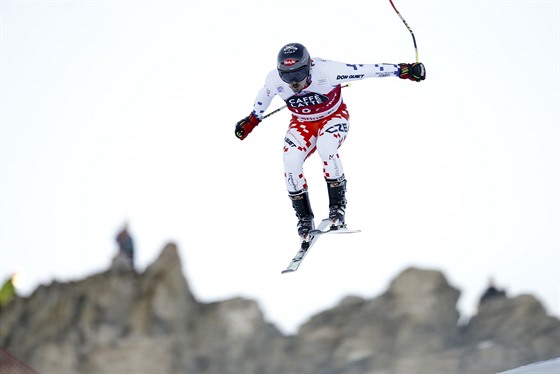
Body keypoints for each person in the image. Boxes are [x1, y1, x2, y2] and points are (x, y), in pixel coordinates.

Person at [235, 43, 426, 241]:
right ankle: (304, 219)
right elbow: (264, 96)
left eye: (298, 74)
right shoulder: (275, 80)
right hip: (302, 124)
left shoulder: (328, 71)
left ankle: (337, 207)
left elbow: (367, 70)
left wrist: (404, 70)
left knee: (326, 147)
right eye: (287, 76)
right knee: (290, 161)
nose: (293, 83)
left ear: (309, 66)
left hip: (333, 117)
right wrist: (252, 120)